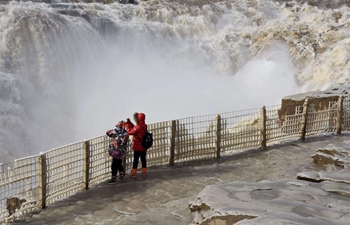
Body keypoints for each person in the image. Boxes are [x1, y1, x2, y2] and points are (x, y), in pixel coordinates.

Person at [124, 112, 148, 178]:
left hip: (137, 147)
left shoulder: (138, 127)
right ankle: (144, 172)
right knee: (143, 159)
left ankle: (134, 173)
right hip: (144, 146)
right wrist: (130, 123)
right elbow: (135, 128)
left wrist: (127, 125)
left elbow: (130, 132)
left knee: (136, 160)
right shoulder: (145, 126)